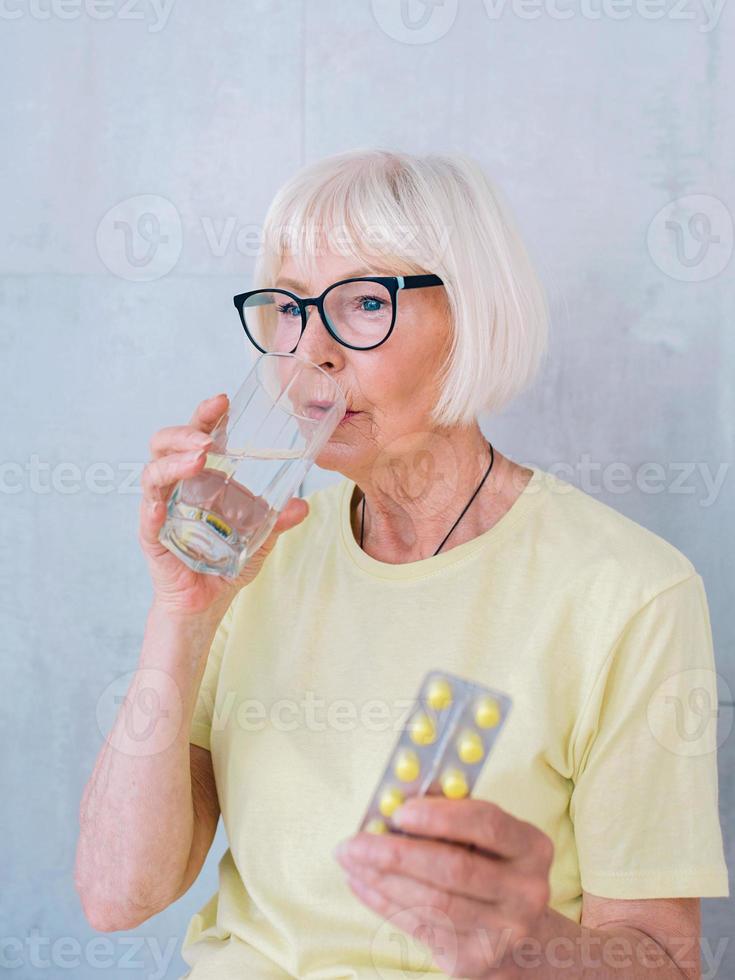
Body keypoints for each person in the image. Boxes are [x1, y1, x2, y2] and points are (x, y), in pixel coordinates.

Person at [74, 148, 729, 979]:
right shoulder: (253, 556)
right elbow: (115, 897)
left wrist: (520, 942)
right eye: (287, 307)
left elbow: (663, 962)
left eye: (360, 302)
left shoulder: (628, 591)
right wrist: (182, 615)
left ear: (474, 315)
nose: (309, 349)